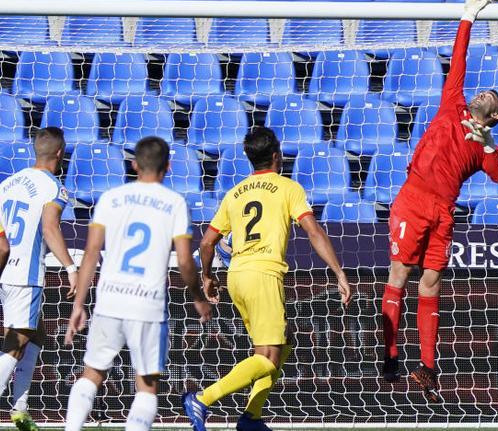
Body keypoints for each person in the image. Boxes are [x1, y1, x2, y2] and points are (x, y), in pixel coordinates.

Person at [182, 127, 351, 431]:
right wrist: (339, 272)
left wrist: (207, 277)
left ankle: (251, 418)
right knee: (270, 358)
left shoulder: (234, 193)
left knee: (281, 342)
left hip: (237, 276)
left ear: (250, 158)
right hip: (263, 274)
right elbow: (313, 231)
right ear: (276, 156)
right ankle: (203, 399)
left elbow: (207, 243)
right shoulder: (288, 188)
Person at [380, 0, 498, 403]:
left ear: (495, 116)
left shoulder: (486, 145)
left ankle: (428, 367)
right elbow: (459, 59)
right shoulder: (453, 104)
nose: (481, 93)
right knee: (400, 274)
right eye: (482, 92)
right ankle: (391, 353)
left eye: (489, 97)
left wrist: (486, 144)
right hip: (413, 199)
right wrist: (469, 15)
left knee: (430, 282)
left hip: (442, 211)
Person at [64, 136, 212, 430]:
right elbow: (184, 261)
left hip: (109, 300)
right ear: (168, 167)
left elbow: (92, 253)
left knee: (91, 372)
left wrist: (79, 304)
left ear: (133, 164)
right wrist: (197, 296)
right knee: (146, 385)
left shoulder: (110, 198)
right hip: (148, 305)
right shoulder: (175, 203)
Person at [0, 127, 78, 431]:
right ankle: (16, 407)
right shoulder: (53, 187)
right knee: (15, 343)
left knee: (37, 335)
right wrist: (71, 268)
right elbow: (49, 229)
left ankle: (20, 410)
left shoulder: (7, 184)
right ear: (60, 153)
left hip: (5, 270)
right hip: (25, 274)